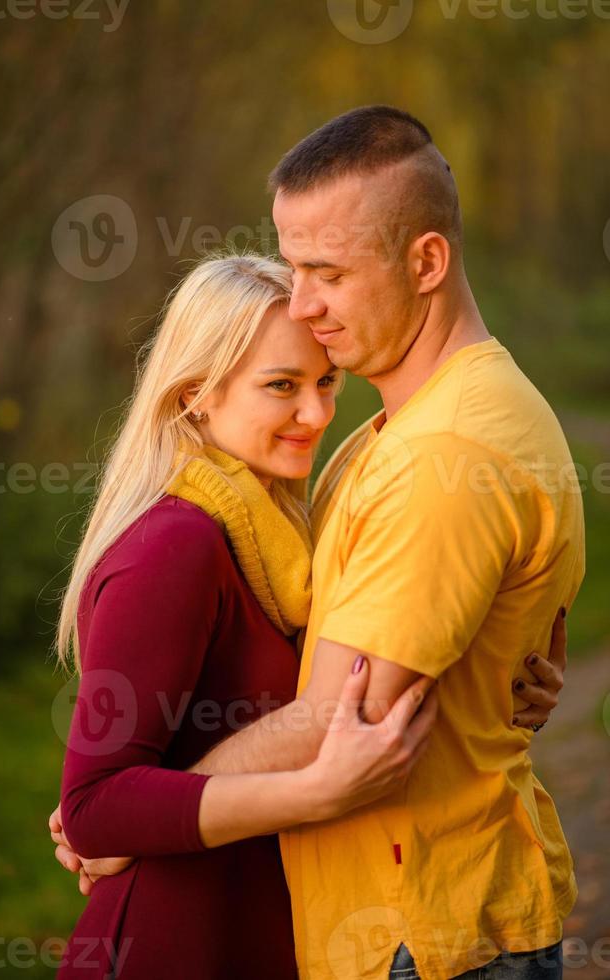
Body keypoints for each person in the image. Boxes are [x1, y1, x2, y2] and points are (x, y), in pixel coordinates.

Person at [51, 107, 576, 979]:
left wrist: (123, 826)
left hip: (417, 927)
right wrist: (115, 817)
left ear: (427, 263)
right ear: (195, 395)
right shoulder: (358, 456)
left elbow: (340, 713)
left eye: (326, 271)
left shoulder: (435, 454)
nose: (305, 304)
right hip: (277, 928)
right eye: (281, 384)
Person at [52, 253, 441, 979]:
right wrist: (314, 790)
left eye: (325, 382)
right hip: (176, 944)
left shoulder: (278, 536)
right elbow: (95, 809)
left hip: (258, 930)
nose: (317, 414)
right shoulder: (175, 544)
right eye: (281, 387)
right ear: (196, 394)